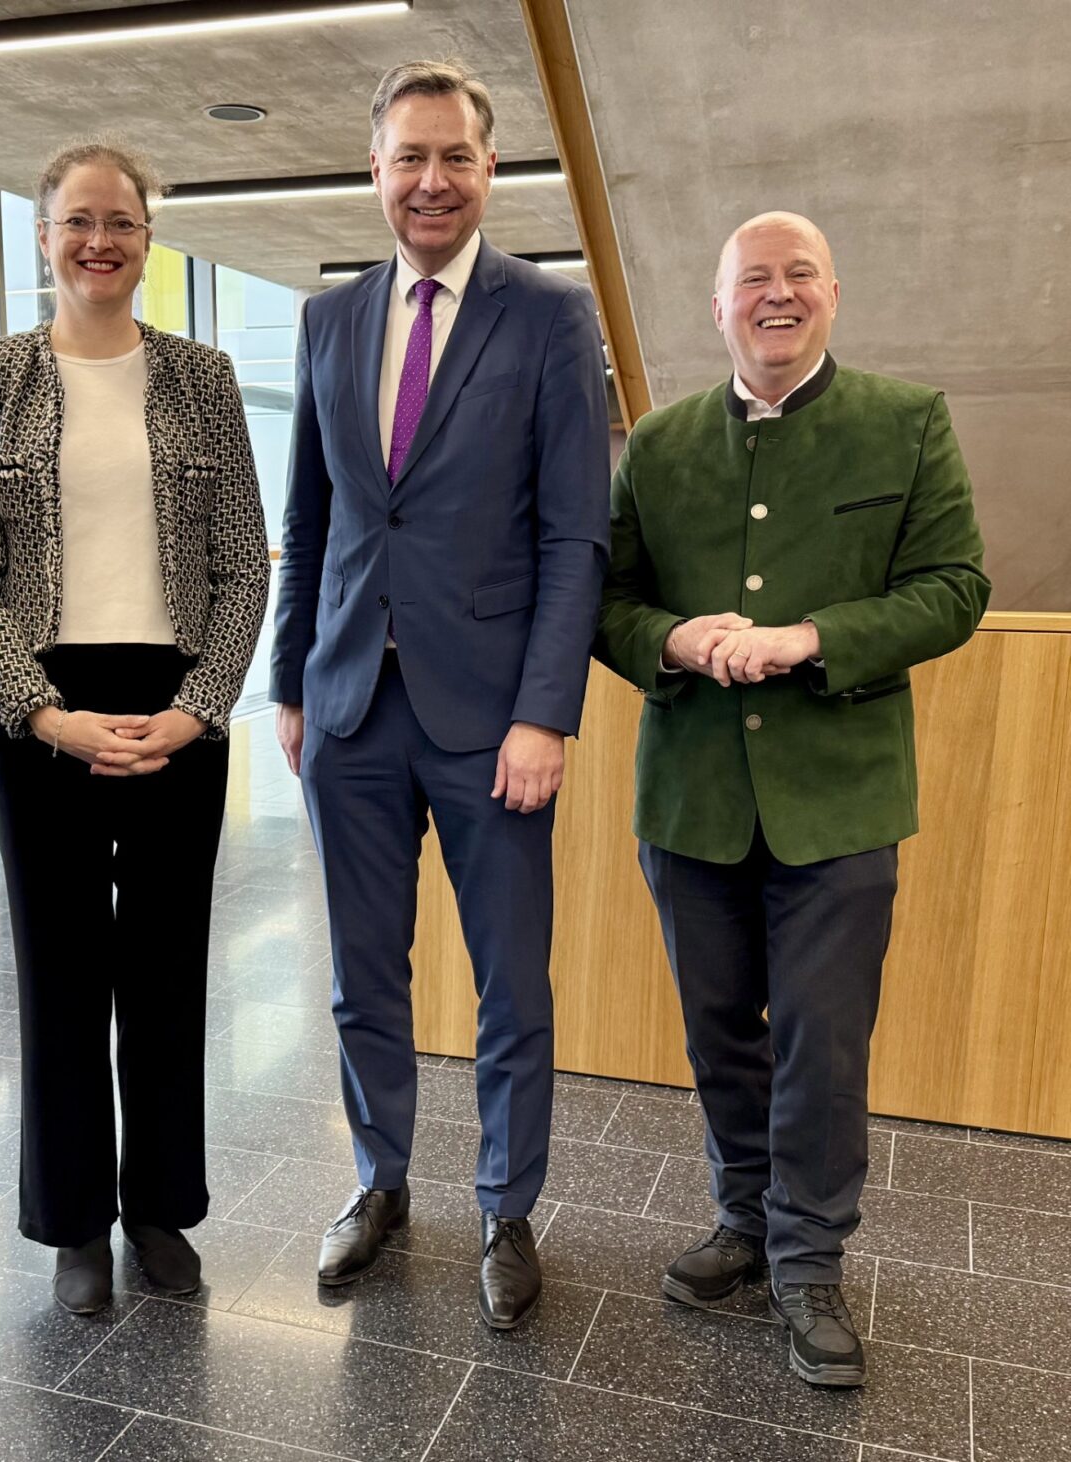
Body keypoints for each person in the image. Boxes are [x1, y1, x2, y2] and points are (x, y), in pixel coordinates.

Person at [594, 211, 989, 1387]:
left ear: (832, 293)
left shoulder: (903, 423)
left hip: (840, 802)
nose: (775, 295)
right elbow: (604, 602)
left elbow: (954, 588)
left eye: (797, 276)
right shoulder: (657, 446)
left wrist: (814, 636)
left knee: (821, 1040)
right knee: (718, 1032)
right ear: (714, 307)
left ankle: (810, 1262)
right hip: (692, 799)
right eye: (750, 281)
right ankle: (746, 1220)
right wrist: (673, 639)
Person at [269, 60, 610, 1330]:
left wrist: (545, 712)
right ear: (373, 173)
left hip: (491, 722)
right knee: (364, 972)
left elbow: (575, 536)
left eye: (453, 158)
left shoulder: (547, 317)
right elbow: (309, 521)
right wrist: (290, 679)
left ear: (487, 169)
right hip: (348, 702)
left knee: (508, 979)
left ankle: (506, 1207)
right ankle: (379, 1183)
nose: (429, 180)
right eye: (406, 158)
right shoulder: (329, 321)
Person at [0, 141, 270, 1317]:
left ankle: (160, 1209)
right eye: (78, 220)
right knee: (62, 976)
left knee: (169, 973)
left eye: (120, 221)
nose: (100, 241)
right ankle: (74, 1221)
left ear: (145, 236)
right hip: (43, 713)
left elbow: (241, 567)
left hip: (178, 706)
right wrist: (45, 713)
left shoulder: (203, 377)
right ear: (42, 236)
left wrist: (195, 709)